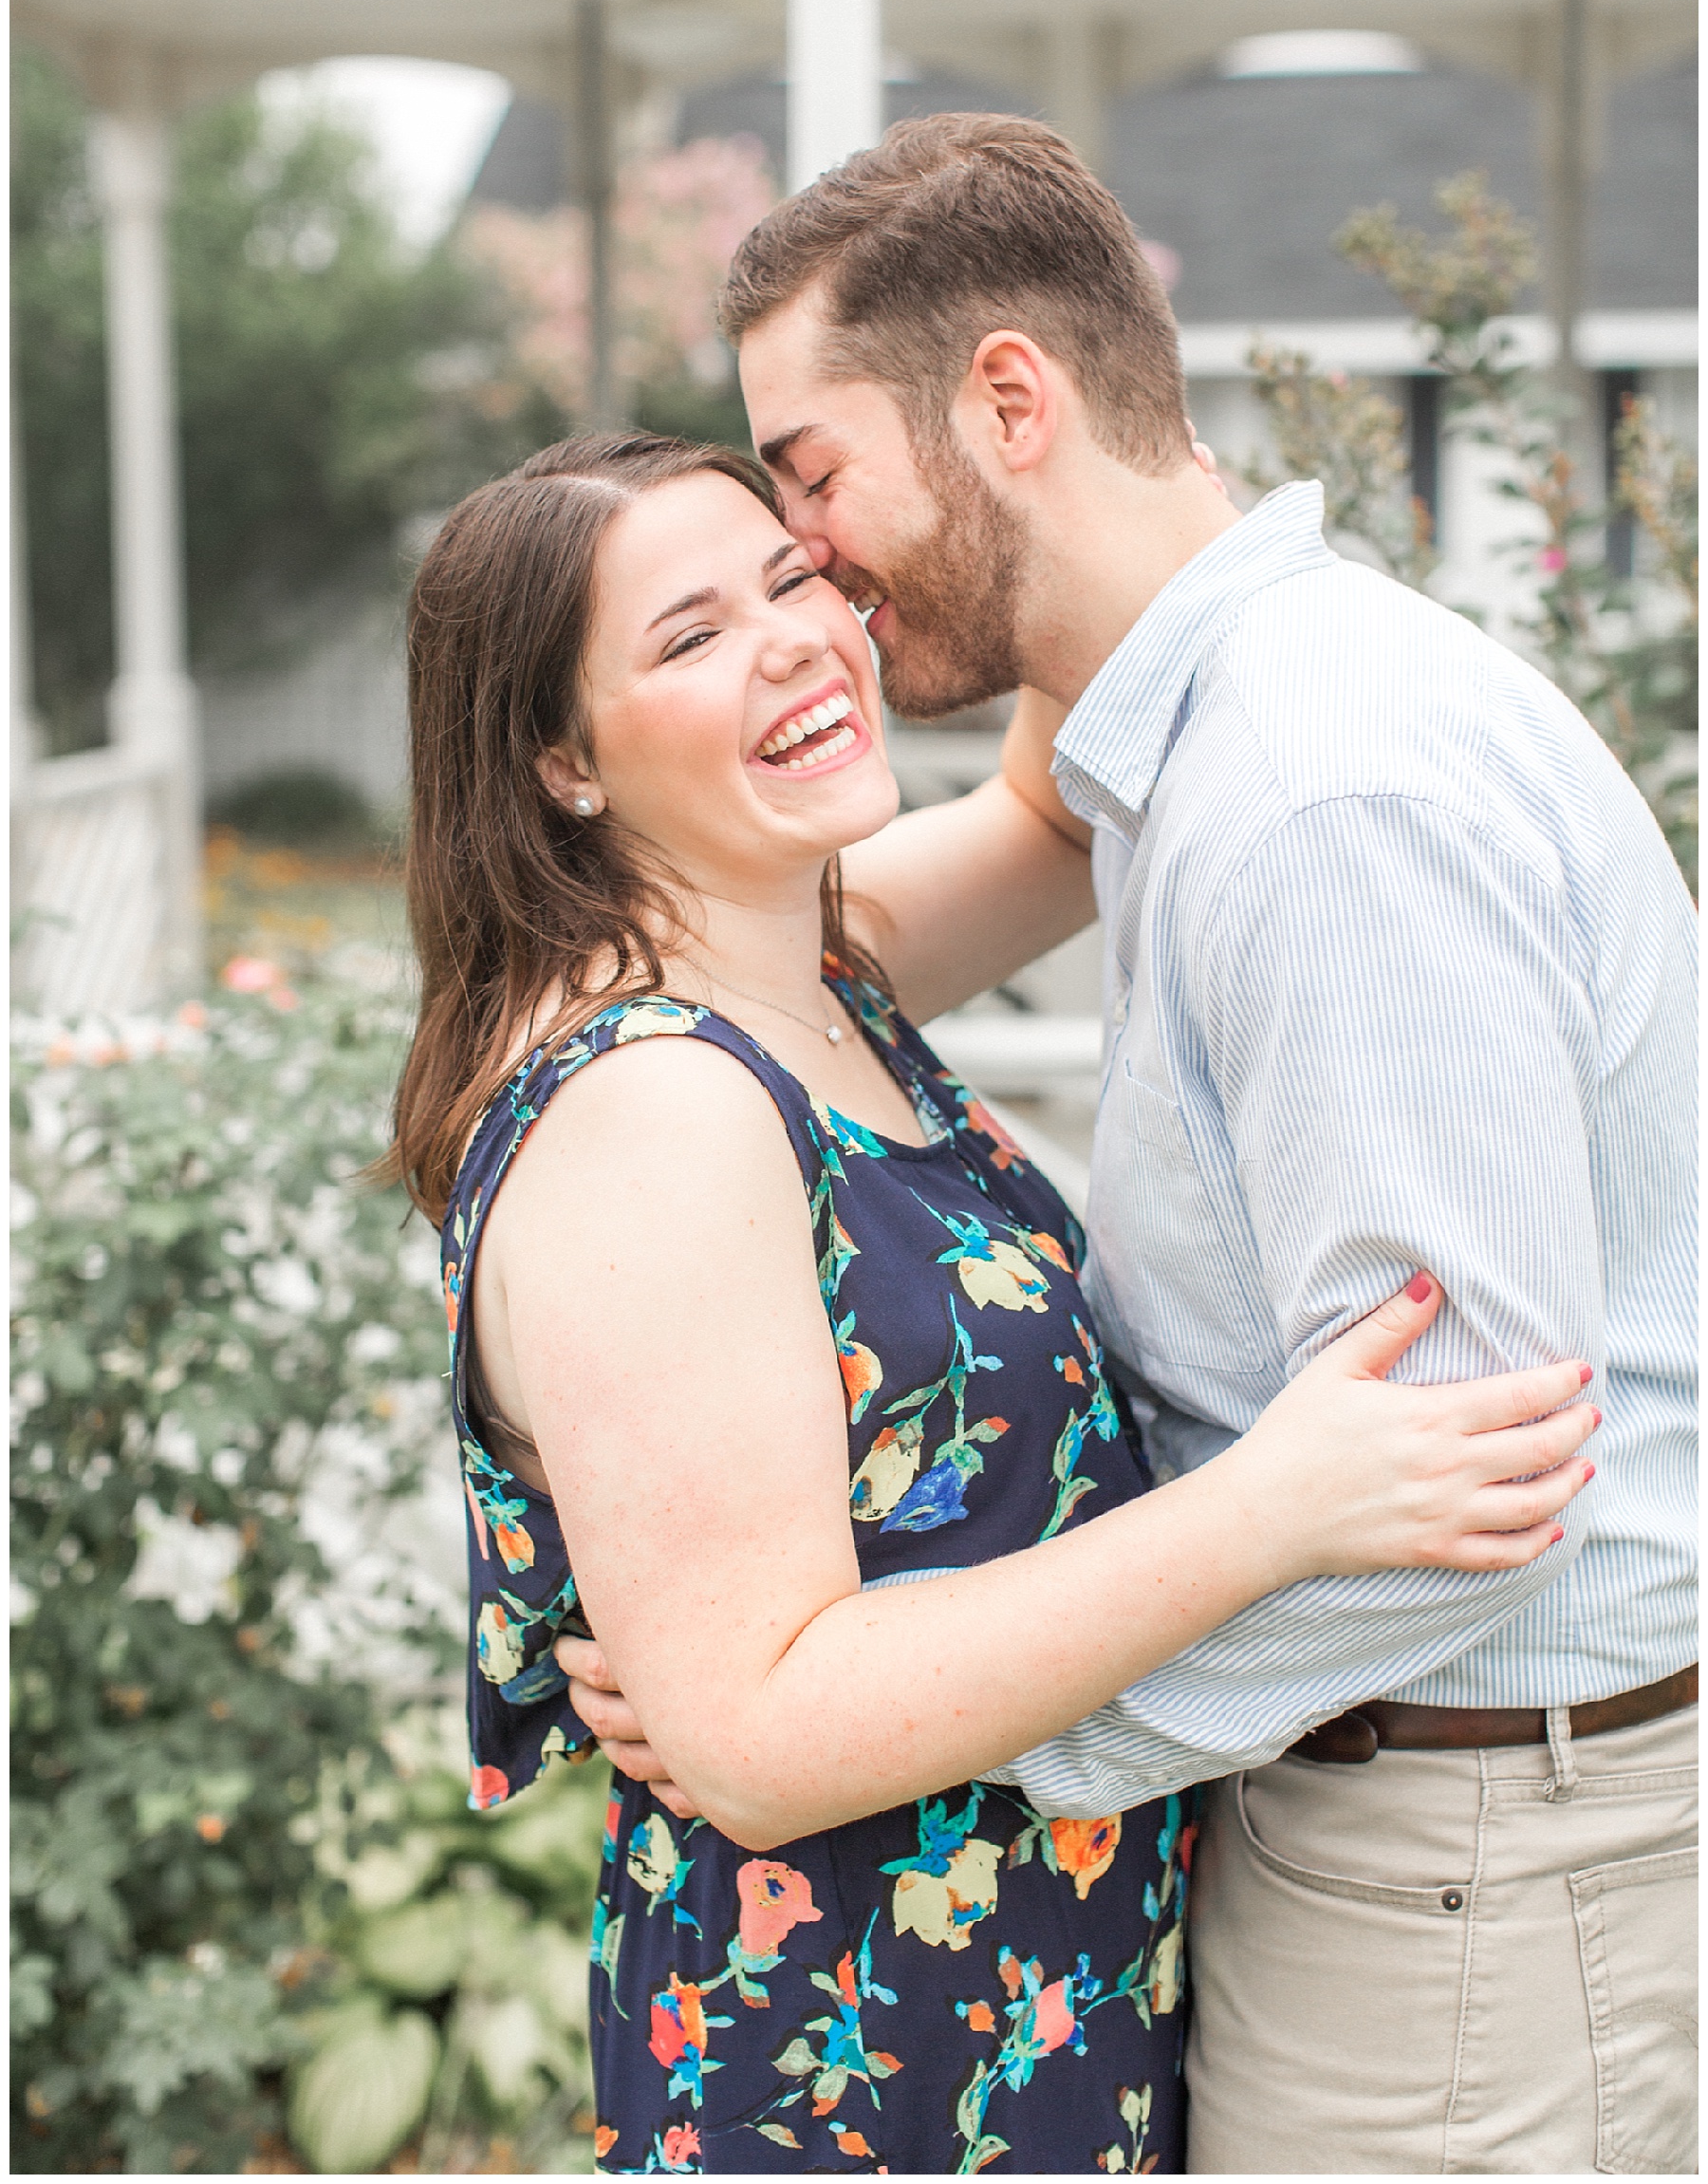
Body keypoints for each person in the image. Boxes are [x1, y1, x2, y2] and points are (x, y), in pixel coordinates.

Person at [566, 114, 1697, 2175]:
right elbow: (978, 836)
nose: (807, 563)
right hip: (1369, 1830)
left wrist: (932, 1732)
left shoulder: (1320, 791)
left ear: (1011, 398)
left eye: (808, 481)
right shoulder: (1191, 742)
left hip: (1460, 1865)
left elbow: (1460, 1483)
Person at [394, 430, 1596, 2178]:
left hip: (1026, 1991)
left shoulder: (802, 958)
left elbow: (1045, 805)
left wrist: (1014, 469)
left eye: (796, 580)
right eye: (690, 633)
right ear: (563, 762)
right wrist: (1273, 1508)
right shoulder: (650, 1111)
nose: (797, 637)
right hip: (860, 2062)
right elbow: (759, 1734)